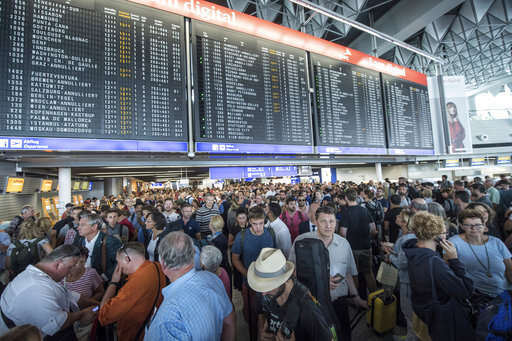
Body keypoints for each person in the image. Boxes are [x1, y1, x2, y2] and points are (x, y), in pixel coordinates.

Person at [289, 206, 366, 341]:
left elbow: (348, 274)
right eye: (323, 221)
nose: (328, 226)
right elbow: (291, 272)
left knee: (342, 336)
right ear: (316, 222)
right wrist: (320, 281)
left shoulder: (344, 244)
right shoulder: (301, 242)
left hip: (338, 304)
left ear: (336, 223)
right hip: (311, 304)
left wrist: (356, 297)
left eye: (331, 221)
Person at [144, 232, 236, 340]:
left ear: (163, 264)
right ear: (193, 257)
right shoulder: (213, 278)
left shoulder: (165, 320)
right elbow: (230, 321)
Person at [403, 212, 475, 341]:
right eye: (444, 232)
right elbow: (465, 291)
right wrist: (454, 260)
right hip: (438, 318)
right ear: (436, 237)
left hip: (422, 311)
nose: (446, 235)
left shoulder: (414, 250)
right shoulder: (433, 262)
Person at [0, 245, 97, 340]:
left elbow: (67, 295)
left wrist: (97, 304)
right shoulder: (36, 287)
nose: (71, 272)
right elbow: (58, 323)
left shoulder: (39, 276)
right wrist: (81, 315)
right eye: (71, 267)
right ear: (58, 264)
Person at [248, 248, 338, 341]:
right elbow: (265, 322)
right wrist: (262, 335)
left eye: (270, 285)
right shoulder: (267, 295)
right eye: (262, 286)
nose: (263, 293)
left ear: (285, 278)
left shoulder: (307, 308)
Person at [98, 242, 166, 341]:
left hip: (135, 335)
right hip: (153, 329)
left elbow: (104, 316)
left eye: (118, 262)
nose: (118, 266)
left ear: (127, 259)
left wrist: (113, 283)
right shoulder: (157, 267)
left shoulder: (134, 285)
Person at [232, 206, 276, 341]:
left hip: (268, 283)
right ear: (249, 221)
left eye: (261, 223)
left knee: (267, 313)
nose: (258, 227)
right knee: (252, 313)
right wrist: (248, 275)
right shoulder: (242, 236)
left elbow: (274, 255)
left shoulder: (271, 233)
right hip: (249, 283)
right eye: (255, 224)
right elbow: (235, 259)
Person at [449, 209, 512, 297]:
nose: (474, 228)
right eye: (468, 225)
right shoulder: (454, 242)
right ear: (462, 226)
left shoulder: (496, 242)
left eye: (478, 225)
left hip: (505, 292)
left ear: (484, 225)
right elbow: (449, 270)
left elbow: (509, 270)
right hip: (478, 297)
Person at [381, 210, 418, 341]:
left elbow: (402, 264)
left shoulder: (405, 239)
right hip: (411, 279)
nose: (396, 216)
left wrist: (389, 254)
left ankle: (411, 338)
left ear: (404, 222)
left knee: (408, 312)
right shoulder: (410, 235)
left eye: (399, 216)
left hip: (407, 281)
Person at [339, 188, 378, 293]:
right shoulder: (365, 210)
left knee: (354, 274)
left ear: (346, 198)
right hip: (366, 246)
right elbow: (373, 229)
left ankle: (357, 300)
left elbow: (343, 234)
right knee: (369, 273)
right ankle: (374, 296)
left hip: (352, 249)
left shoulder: (346, 213)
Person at [62, 247, 104, 341]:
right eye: (77, 262)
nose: (80, 265)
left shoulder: (91, 273)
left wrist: (87, 302)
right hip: (65, 318)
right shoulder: (60, 275)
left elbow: (101, 292)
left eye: (83, 262)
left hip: (85, 318)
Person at [75, 212, 121, 282]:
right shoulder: (81, 240)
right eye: (79, 225)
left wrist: (103, 277)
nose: (78, 228)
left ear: (94, 227)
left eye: (83, 225)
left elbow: (120, 262)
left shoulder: (110, 241)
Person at [207, 215, 231, 281]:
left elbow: (221, 258)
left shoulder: (217, 240)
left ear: (211, 226)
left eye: (210, 222)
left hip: (220, 270)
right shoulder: (217, 237)